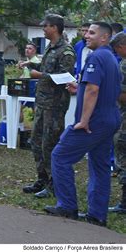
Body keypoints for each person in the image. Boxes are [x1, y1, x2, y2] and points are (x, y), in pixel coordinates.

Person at [44, 22, 121, 227]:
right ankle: (97, 215)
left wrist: (84, 120)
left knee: (60, 156)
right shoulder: (112, 59)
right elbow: (100, 87)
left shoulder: (96, 57)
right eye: (87, 32)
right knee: (100, 166)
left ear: (104, 38)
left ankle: (67, 206)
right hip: (110, 118)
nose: (86, 35)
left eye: (92, 33)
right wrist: (79, 87)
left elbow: (94, 90)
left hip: (94, 121)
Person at [20, 14, 76, 198]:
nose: (43, 29)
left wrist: (39, 75)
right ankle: (42, 179)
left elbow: (65, 77)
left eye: (46, 26)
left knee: (49, 144)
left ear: (55, 28)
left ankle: (54, 183)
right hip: (42, 103)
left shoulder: (66, 51)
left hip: (55, 105)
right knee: (36, 141)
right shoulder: (50, 49)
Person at [108, 32, 126, 214]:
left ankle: (124, 204)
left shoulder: (124, 65)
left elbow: (122, 95)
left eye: (117, 49)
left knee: (122, 158)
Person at [17, 42, 41, 130]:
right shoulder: (27, 62)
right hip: (27, 89)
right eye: (26, 48)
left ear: (34, 51)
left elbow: (35, 75)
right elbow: (25, 75)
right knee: (35, 112)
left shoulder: (35, 62)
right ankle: (22, 129)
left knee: (18, 107)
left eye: (30, 48)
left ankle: (20, 129)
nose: (27, 50)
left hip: (31, 90)